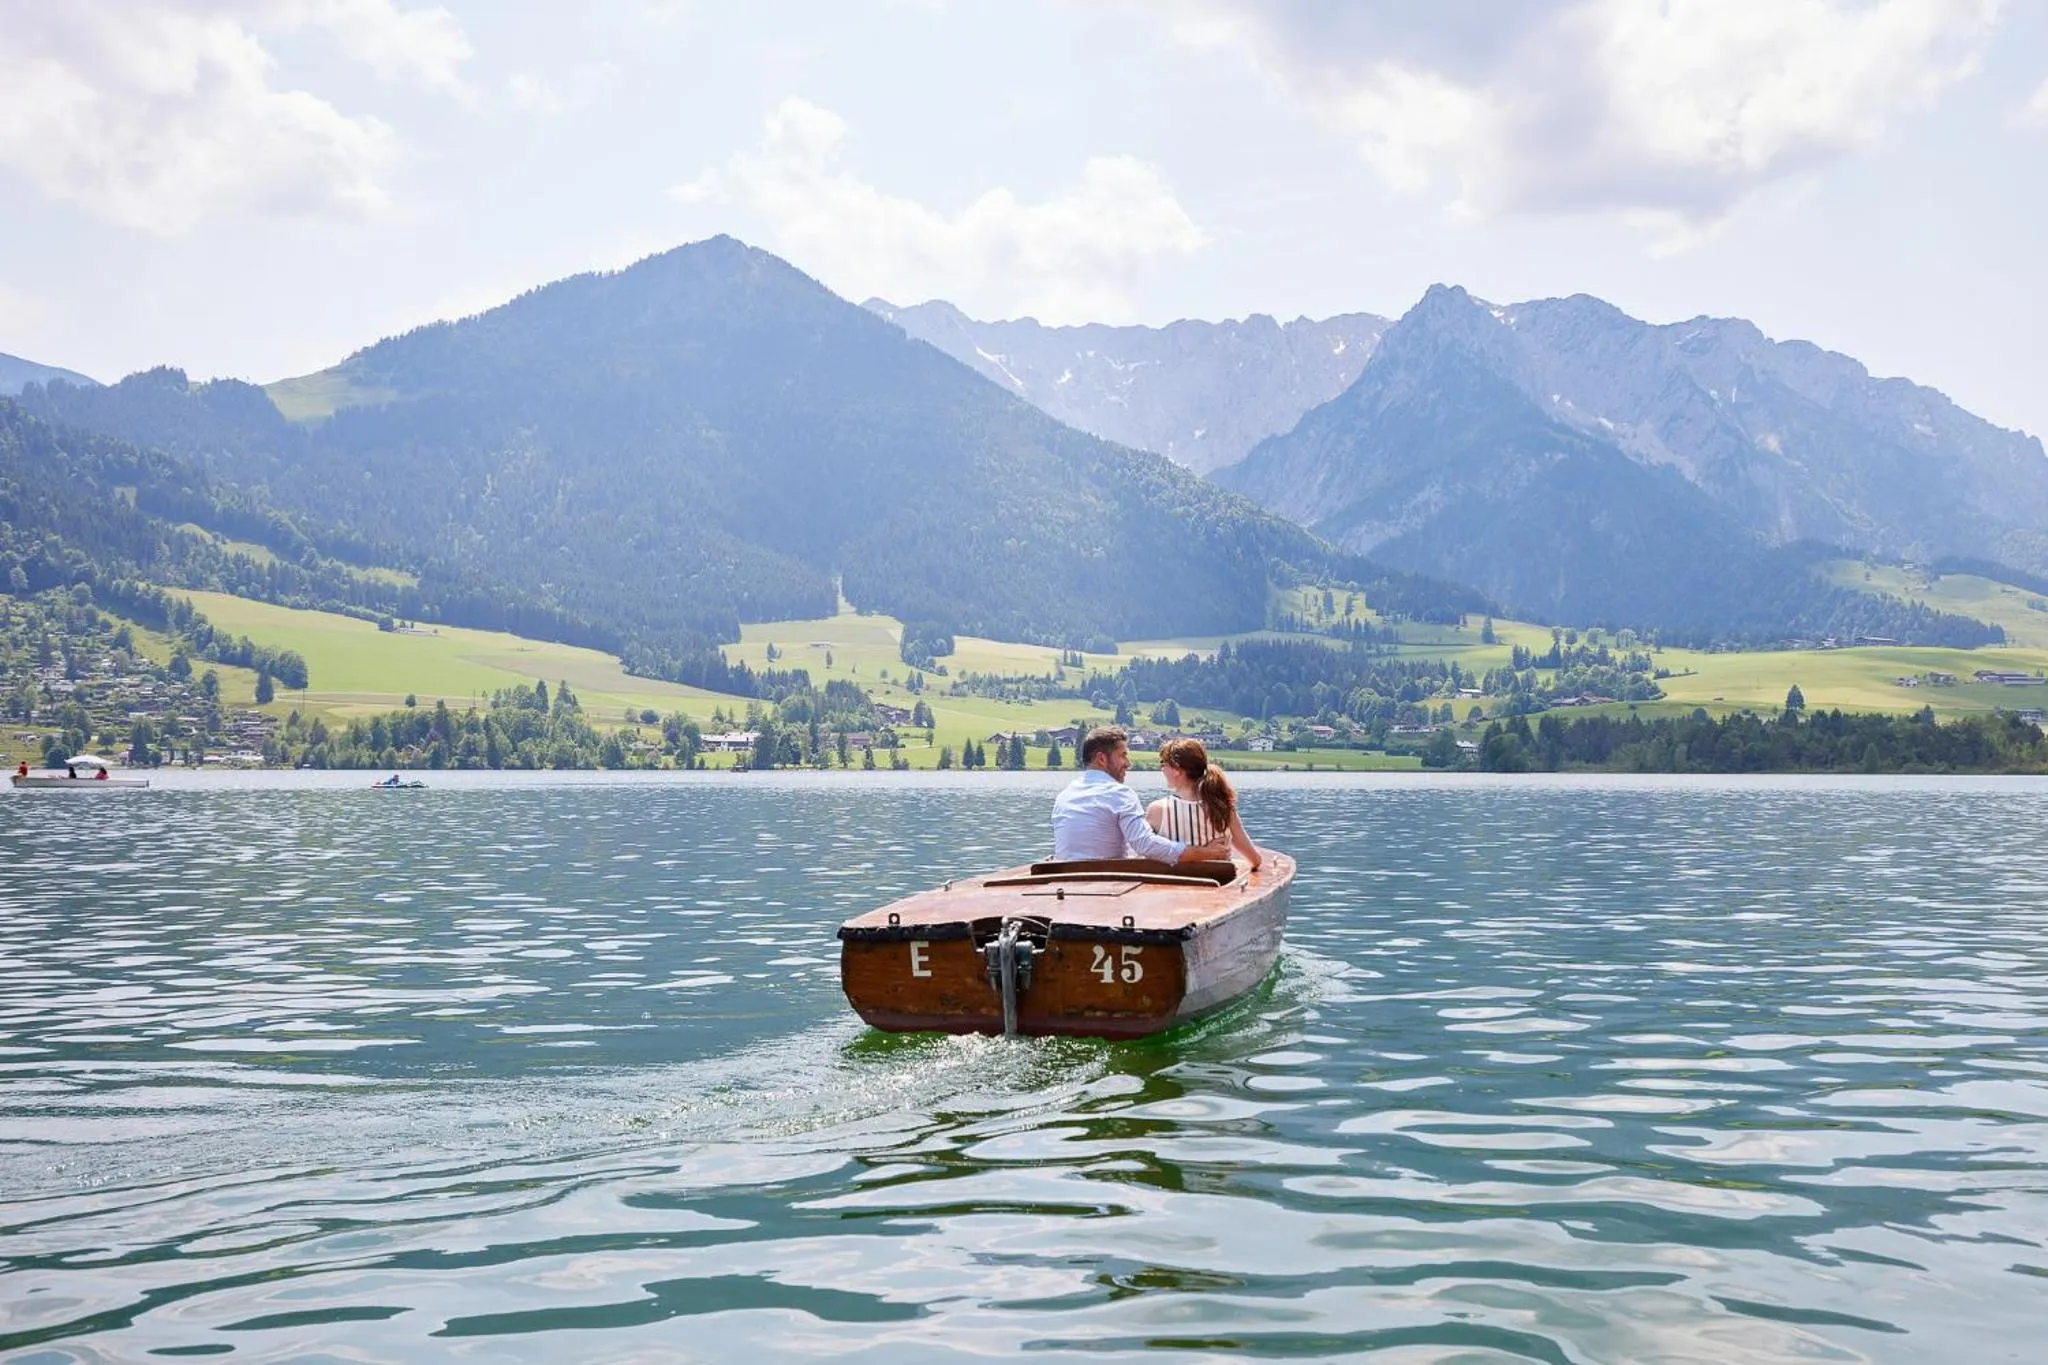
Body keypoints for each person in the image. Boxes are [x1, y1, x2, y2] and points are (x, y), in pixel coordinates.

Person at [1051, 726, 1229, 865]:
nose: (1128, 763)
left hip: (1063, 884)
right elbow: (1146, 845)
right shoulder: (1119, 793)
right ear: (1102, 759)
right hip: (1106, 887)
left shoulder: (1063, 796)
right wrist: (1209, 853)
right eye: (1123, 756)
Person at [1147, 737, 1260, 871]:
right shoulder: (1223, 807)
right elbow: (1255, 860)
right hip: (1216, 885)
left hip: (1171, 887)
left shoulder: (1157, 810)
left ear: (1176, 769)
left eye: (1163, 763)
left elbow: (1146, 853)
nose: (1162, 769)